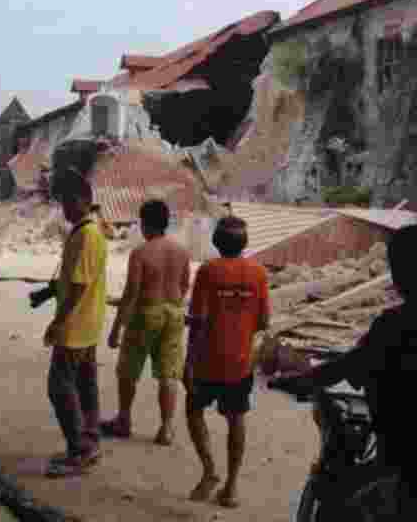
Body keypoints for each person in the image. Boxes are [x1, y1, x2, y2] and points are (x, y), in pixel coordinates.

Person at [273, 224, 417, 519]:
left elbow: (348, 366)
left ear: (401, 274)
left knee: (336, 505)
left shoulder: (395, 324)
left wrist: (300, 380)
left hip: (412, 474)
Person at [183, 216, 270, 509]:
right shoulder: (258, 273)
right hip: (240, 362)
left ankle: (210, 471)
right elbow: (263, 322)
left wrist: (189, 361)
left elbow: (197, 321)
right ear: (244, 242)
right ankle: (231, 488)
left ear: (216, 241)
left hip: (207, 361)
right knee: (236, 418)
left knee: (194, 410)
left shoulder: (208, 271)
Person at [103, 199, 190, 445]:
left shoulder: (141, 253)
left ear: (145, 224)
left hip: (146, 313)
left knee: (128, 370)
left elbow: (131, 292)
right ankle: (166, 429)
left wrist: (116, 329)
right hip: (174, 313)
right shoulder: (181, 252)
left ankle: (124, 420)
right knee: (168, 374)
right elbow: (184, 285)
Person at [44, 177, 108, 478]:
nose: (65, 208)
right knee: (85, 384)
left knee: (59, 386)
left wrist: (58, 321)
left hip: (76, 325)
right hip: (88, 322)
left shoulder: (86, 235)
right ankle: (89, 441)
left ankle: (79, 448)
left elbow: (80, 285)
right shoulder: (87, 232)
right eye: (63, 203)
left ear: (84, 200)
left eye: (69, 202)